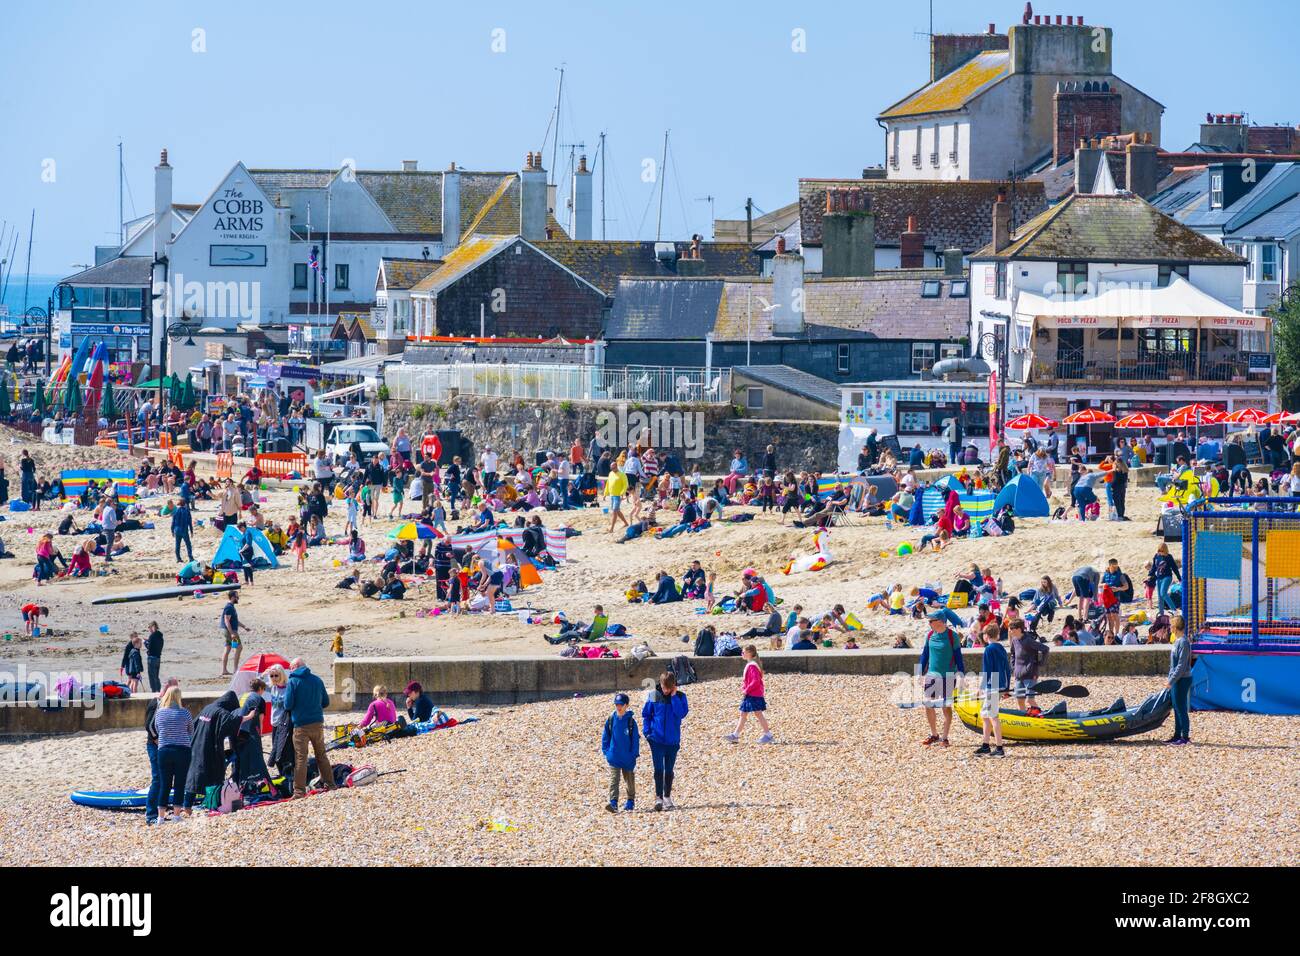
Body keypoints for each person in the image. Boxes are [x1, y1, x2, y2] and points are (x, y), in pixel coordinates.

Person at [284, 659, 335, 798]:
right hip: (317, 723)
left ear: (295, 667)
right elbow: (326, 702)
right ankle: (330, 784)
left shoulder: (293, 682)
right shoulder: (317, 680)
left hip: (300, 725)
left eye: (290, 668)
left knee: (301, 758)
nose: (290, 670)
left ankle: (299, 791)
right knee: (321, 755)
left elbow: (287, 704)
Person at [641, 670, 688, 811]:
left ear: (674, 686)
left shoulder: (680, 697)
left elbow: (681, 713)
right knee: (658, 769)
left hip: (673, 741)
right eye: (663, 687)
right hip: (656, 740)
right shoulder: (654, 695)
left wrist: (674, 697)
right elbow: (646, 715)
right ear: (660, 684)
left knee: (669, 770)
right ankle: (658, 797)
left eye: (668, 688)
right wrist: (647, 732)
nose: (665, 690)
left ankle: (667, 796)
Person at [918, 607, 964, 748]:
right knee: (928, 703)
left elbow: (958, 657)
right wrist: (920, 673)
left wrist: (961, 674)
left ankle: (945, 737)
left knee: (945, 707)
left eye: (931, 620)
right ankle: (934, 734)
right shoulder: (930, 635)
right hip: (932, 675)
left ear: (940, 621)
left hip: (948, 676)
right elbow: (925, 654)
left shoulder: (952, 636)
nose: (929, 623)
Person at [151, 684, 193, 823]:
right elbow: (190, 731)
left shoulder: (160, 713)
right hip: (182, 750)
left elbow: (157, 729)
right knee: (180, 783)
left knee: (165, 784)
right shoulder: (185, 712)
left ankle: (160, 817)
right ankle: (176, 815)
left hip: (164, 750)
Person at [724, 644, 773, 744]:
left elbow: (755, 681)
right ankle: (735, 735)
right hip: (752, 693)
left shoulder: (752, 666)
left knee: (757, 714)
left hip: (753, 694)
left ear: (749, 653)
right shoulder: (753, 664)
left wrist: (746, 690)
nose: (742, 654)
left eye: (743, 652)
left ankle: (768, 735)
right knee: (744, 713)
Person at [601, 692, 640, 813]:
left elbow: (635, 741)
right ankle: (613, 803)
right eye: (616, 704)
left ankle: (630, 801)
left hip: (628, 757)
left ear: (626, 705)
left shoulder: (631, 722)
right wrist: (606, 752)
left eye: (621, 705)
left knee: (629, 780)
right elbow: (605, 736)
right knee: (614, 780)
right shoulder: (611, 719)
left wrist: (634, 755)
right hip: (614, 756)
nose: (618, 707)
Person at [975, 626, 1010, 757]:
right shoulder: (1001, 647)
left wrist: (980, 688)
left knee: (993, 716)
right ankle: (985, 745)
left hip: (992, 685)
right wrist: (1006, 687)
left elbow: (987, 671)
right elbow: (1007, 668)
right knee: (985, 715)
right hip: (1000, 684)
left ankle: (999, 748)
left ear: (986, 636)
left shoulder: (988, 649)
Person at [1009, 619, 1049, 717]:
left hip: (1030, 674)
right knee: (1020, 700)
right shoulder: (1014, 640)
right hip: (1018, 675)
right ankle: (1024, 719)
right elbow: (1013, 654)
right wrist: (1013, 666)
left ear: (1018, 629)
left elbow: (1045, 649)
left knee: (1030, 699)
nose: (1010, 631)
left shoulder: (1029, 640)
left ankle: (1043, 717)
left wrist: (1041, 663)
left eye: (1012, 629)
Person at [1167, 613, 1193, 745]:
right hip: (1177, 679)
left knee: (1181, 707)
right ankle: (1177, 735)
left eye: (1171, 625)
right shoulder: (1177, 641)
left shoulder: (1183, 642)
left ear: (1176, 627)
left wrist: (1171, 681)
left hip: (1182, 679)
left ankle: (1185, 736)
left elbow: (1182, 666)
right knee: (1176, 707)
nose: (1170, 628)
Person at [220, 591, 245, 677]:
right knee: (239, 647)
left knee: (227, 649)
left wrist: (244, 627)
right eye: (237, 597)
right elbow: (226, 620)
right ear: (232, 597)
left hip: (229, 631)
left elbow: (234, 621)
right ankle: (235, 669)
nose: (238, 598)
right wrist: (232, 633)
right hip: (230, 631)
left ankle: (224, 670)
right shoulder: (229, 607)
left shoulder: (231, 607)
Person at [1151, 543, 1181, 613]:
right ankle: (1161, 614)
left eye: (1162, 551)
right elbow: (1154, 567)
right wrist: (1150, 575)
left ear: (1165, 551)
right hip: (1158, 578)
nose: (1160, 553)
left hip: (1167, 577)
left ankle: (1174, 610)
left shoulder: (1169, 557)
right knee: (1160, 597)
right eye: (1159, 551)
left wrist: (1179, 578)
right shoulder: (1156, 556)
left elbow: (1174, 568)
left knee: (1163, 593)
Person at [171, 497, 194, 563]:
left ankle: (178, 558)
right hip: (184, 530)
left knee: (177, 544)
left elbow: (173, 522)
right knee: (188, 544)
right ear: (185, 504)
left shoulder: (175, 511)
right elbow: (189, 522)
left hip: (177, 530)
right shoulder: (187, 511)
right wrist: (191, 531)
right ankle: (190, 558)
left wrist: (172, 530)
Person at [144, 621, 164, 693]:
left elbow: (150, 648)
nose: (149, 630)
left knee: (152, 677)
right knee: (156, 676)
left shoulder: (152, 636)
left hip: (152, 658)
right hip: (158, 658)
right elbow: (157, 645)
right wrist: (148, 640)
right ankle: (158, 691)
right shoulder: (160, 636)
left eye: (149, 628)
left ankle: (154, 692)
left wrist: (145, 643)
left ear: (152, 627)